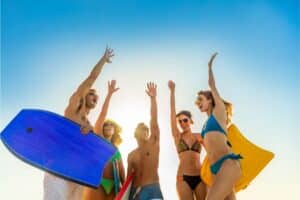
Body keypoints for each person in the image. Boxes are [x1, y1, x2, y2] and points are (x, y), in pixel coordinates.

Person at [43, 47, 114, 200]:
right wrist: (103, 60)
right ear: (83, 95)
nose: (95, 97)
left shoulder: (89, 125)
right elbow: (91, 78)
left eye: (97, 97)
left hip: (78, 175)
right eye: (92, 94)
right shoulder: (74, 109)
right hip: (58, 169)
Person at [195, 53, 241, 200]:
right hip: (216, 170)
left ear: (210, 100)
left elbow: (212, 85)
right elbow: (210, 149)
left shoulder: (219, 111)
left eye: (201, 99)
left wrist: (209, 67)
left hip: (228, 164)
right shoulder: (205, 125)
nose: (199, 103)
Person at [168, 80, 206, 200]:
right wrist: (172, 92)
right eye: (180, 121)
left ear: (191, 121)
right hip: (183, 177)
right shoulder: (178, 137)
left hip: (200, 177)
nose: (182, 123)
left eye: (185, 120)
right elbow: (172, 113)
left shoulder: (199, 136)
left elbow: (213, 152)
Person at [127, 82, 163, 200]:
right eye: (141, 130)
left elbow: (154, 119)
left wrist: (153, 99)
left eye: (146, 130)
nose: (144, 132)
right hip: (135, 191)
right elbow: (128, 179)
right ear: (135, 134)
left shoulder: (153, 143)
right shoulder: (131, 155)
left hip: (153, 188)